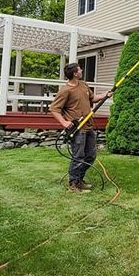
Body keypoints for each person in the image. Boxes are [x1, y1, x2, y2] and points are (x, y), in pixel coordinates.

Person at [49, 62, 112, 193]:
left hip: (88, 126)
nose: (82, 70)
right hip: (78, 129)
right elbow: (54, 108)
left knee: (91, 155)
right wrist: (64, 122)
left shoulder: (83, 85)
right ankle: (73, 184)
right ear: (75, 73)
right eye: (79, 69)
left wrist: (105, 94)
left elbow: (93, 98)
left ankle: (79, 180)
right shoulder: (66, 90)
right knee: (78, 156)